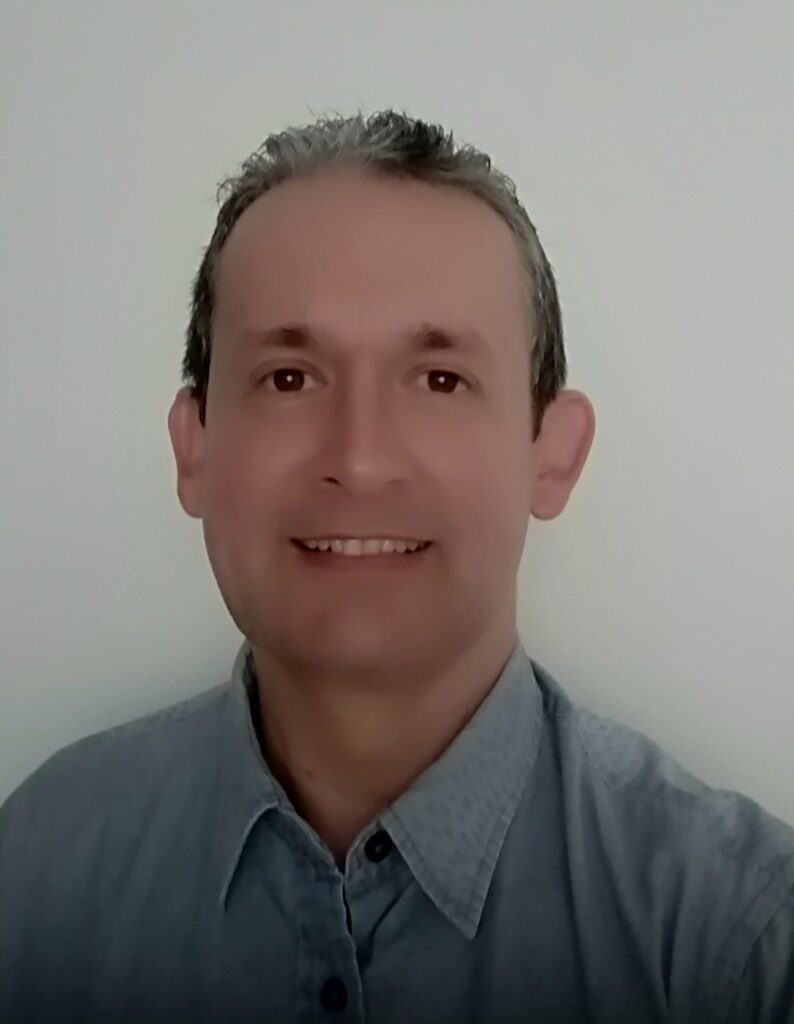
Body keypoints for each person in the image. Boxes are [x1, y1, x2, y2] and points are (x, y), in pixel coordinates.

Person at [1, 109, 791, 1024]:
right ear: (195, 450)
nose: (362, 459)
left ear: (553, 454)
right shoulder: (34, 872)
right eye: (289, 378)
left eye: (440, 380)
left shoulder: (741, 942)